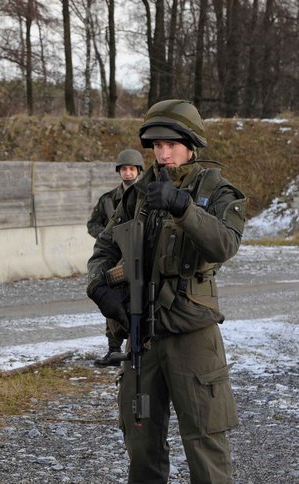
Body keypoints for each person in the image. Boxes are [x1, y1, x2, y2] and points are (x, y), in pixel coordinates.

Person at [86, 99, 246, 483]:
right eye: (156, 146)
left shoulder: (215, 190)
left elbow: (225, 244)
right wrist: (99, 286)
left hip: (193, 337)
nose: (163, 153)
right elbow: (104, 249)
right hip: (143, 338)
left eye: (171, 144)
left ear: (191, 144)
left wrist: (182, 207)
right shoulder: (137, 194)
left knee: (205, 449)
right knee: (141, 449)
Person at [87, 149, 144, 367]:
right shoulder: (108, 200)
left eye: (131, 169)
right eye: (124, 169)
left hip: (137, 254)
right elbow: (92, 224)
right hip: (114, 257)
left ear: (138, 171)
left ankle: (138, 343)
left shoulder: (145, 197)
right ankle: (114, 348)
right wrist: (106, 236)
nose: (128, 173)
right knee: (110, 300)